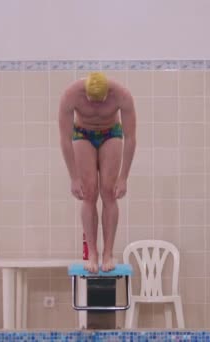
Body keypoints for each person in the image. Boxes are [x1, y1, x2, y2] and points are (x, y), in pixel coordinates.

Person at [58, 72, 137, 273]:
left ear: (108, 92)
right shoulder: (71, 95)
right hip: (82, 135)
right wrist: (73, 177)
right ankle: (92, 253)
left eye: (99, 102)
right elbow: (65, 139)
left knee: (109, 193)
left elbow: (130, 138)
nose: (94, 107)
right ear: (84, 93)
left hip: (111, 134)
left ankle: (107, 253)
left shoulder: (122, 96)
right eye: (90, 102)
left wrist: (124, 177)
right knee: (88, 194)